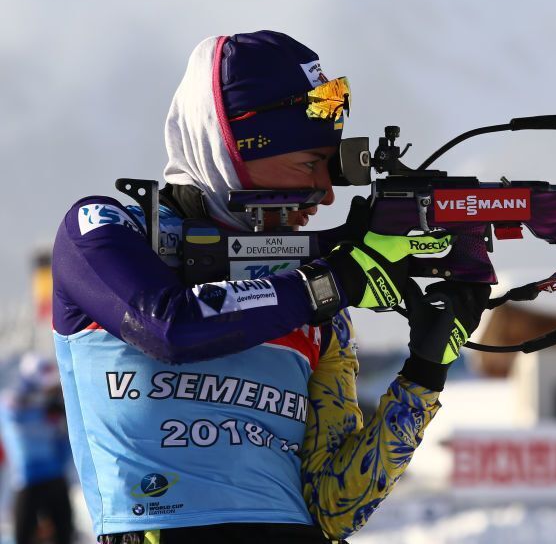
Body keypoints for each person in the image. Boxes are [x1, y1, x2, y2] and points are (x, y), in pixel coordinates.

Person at [51, 31, 489, 543]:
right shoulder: (101, 229)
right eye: (309, 163)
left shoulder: (313, 292)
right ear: (231, 149)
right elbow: (171, 327)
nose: (326, 194)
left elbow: (335, 506)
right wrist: (336, 281)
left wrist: (425, 372)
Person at [0, 353, 74, 544]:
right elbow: (14, 412)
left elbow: (64, 440)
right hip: (27, 480)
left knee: (64, 536)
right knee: (22, 537)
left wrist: (60, 412)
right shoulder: (14, 401)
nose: (50, 390)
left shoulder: (52, 406)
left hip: (55, 477)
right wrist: (46, 407)